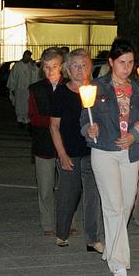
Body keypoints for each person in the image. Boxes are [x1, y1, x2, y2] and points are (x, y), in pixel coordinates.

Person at [82, 38, 139, 276]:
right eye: (122, 62)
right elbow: (85, 119)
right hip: (104, 152)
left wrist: (135, 134)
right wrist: (89, 130)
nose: (127, 67)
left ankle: (111, 248)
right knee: (114, 205)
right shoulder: (97, 87)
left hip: (130, 153)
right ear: (112, 62)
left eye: (131, 62)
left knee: (126, 206)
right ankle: (118, 261)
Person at [50, 49, 103, 252]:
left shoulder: (97, 90)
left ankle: (93, 238)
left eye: (83, 65)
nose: (79, 69)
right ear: (68, 69)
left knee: (93, 196)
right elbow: (54, 126)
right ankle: (62, 233)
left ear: (90, 67)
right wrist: (62, 154)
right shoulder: (62, 93)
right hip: (69, 151)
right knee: (68, 194)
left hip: (93, 151)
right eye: (75, 65)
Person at [29, 47, 65, 236]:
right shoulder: (36, 89)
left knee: (68, 186)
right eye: (47, 67)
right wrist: (54, 121)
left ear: (62, 67)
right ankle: (48, 223)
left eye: (54, 66)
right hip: (43, 143)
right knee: (45, 187)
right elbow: (33, 117)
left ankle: (69, 221)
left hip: (67, 144)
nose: (50, 71)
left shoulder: (70, 87)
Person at [7, 50, 40, 127]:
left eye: (28, 56)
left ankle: (27, 120)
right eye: (26, 56)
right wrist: (12, 89)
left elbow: (36, 75)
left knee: (27, 105)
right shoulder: (17, 66)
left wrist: (33, 65)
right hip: (19, 89)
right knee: (19, 105)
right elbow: (12, 78)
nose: (27, 58)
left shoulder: (31, 66)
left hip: (28, 90)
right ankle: (20, 120)